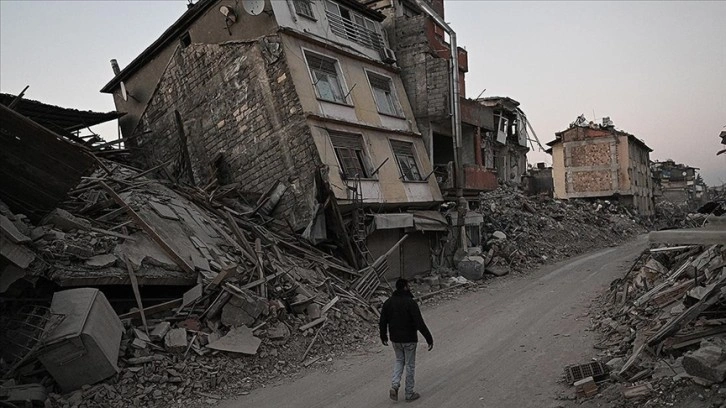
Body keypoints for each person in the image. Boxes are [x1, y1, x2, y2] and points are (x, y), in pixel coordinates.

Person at [379, 278, 434, 402]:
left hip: (395, 339)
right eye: (408, 286)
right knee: (410, 365)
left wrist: (383, 336)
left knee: (399, 360)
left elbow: (382, 321)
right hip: (409, 339)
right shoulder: (410, 302)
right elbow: (419, 323)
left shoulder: (388, 302)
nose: (409, 288)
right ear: (405, 287)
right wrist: (429, 338)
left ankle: (395, 384)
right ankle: (409, 393)